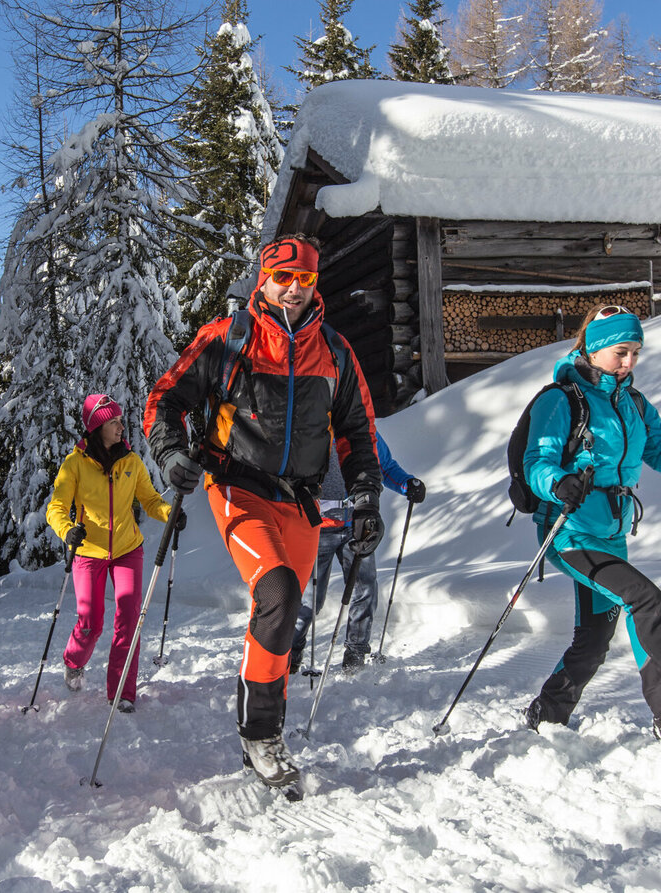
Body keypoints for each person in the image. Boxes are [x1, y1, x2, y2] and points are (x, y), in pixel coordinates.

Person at [144, 233, 383, 791]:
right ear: (264, 278)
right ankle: (260, 736)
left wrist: (366, 495)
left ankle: (261, 734)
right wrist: (171, 451)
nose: (294, 290)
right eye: (284, 278)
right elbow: (166, 398)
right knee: (275, 592)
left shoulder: (336, 352)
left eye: (305, 280)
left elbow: (356, 432)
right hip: (238, 488)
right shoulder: (228, 339)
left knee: (284, 612)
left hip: (299, 502)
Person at [521, 304, 661, 754]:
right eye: (621, 352)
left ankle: (546, 714)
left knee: (594, 639)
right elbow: (536, 463)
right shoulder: (560, 399)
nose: (629, 362)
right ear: (594, 348)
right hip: (569, 533)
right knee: (645, 599)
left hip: (610, 534)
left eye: (636, 353)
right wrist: (560, 481)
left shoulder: (633, 403)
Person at [46, 393, 183, 714]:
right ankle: (74, 660)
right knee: (91, 622)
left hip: (127, 549)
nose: (123, 427)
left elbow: (150, 501)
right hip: (88, 551)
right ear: (97, 427)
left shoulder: (131, 462)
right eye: (114, 422)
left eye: (121, 420)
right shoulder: (75, 464)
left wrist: (170, 513)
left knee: (129, 618)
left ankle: (122, 689)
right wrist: (68, 530)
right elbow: (56, 507)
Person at [291, 432, 424, 675]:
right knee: (310, 597)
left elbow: (383, 466)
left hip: (357, 525)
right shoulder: (313, 427)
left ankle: (356, 653)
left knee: (365, 588)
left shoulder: (362, 430)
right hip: (316, 528)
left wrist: (407, 483)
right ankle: (291, 652)